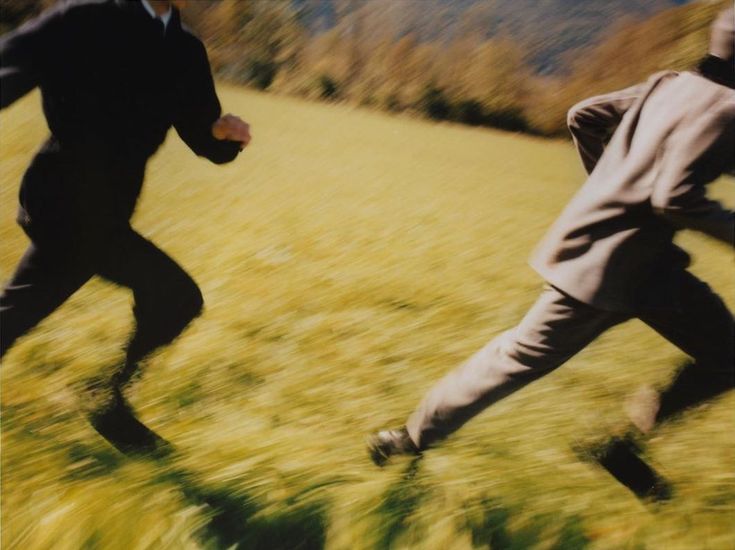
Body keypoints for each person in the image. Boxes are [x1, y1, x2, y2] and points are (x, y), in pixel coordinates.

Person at [369, 8, 734, 496]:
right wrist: (624, 196)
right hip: (608, 271)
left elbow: (584, 116)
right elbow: (675, 195)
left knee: (727, 354)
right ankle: (407, 440)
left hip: (645, 270)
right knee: (518, 356)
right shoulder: (726, 106)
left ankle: (621, 448)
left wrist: (608, 188)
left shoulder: (668, 85)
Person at [0, 0, 251, 453]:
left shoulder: (184, 50)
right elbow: (9, 67)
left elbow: (200, 130)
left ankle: (105, 396)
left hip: (108, 215)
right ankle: (105, 401)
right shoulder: (84, 19)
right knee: (173, 296)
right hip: (60, 201)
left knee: (171, 299)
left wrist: (221, 135)